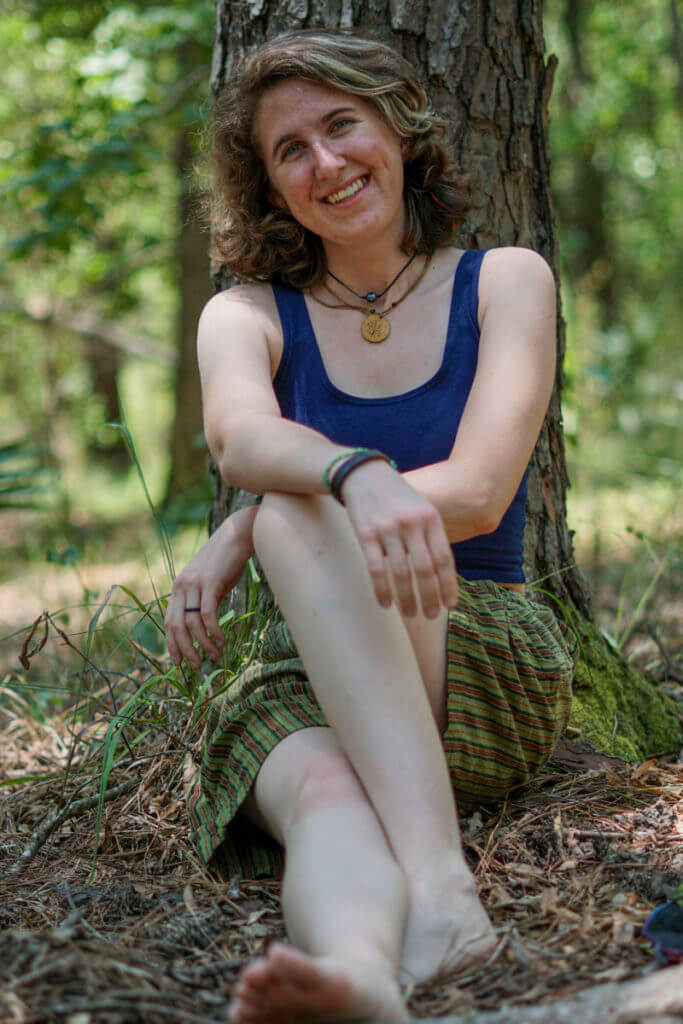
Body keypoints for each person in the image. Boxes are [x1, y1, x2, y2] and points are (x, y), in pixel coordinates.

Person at [164, 28, 576, 1024]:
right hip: (299, 673)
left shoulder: (504, 280)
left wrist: (276, 515)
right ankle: (356, 972)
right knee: (319, 797)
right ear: (268, 188)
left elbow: (478, 491)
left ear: (396, 128)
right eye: (289, 151)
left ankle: (441, 891)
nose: (326, 163)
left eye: (341, 125)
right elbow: (238, 435)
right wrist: (346, 477)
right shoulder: (247, 312)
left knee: (297, 514)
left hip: (472, 644)